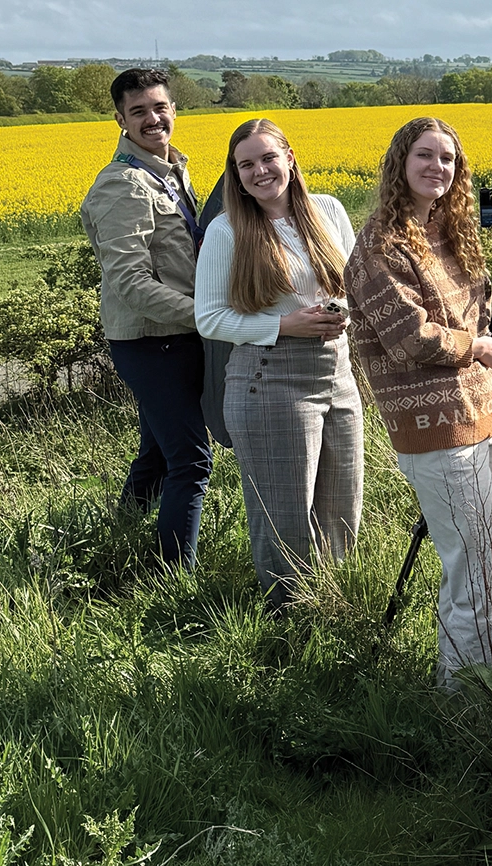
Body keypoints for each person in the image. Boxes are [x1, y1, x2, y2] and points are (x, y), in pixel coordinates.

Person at [345, 117, 492, 687]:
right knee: (475, 570)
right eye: (425, 155)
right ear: (400, 162)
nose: (436, 168)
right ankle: (465, 706)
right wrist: (476, 346)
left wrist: (478, 354)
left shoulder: (450, 233)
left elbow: (478, 309)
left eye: (447, 159)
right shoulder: (379, 244)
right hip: (436, 429)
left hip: (484, 416)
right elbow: (408, 340)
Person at [194, 119, 363, 606]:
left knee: (341, 508)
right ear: (235, 174)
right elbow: (208, 319)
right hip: (268, 380)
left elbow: (355, 281)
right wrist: (284, 326)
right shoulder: (227, 230)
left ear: (290, 157)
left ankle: (337, 607)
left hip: (337, 373)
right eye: (246, 164)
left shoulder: (328, 210)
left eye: (268, 158)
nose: (260, 171)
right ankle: (288, 622)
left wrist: (344, 313)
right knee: (285, 519)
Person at [81, 68, 211, 568]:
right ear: (120, 120)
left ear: (173, 109)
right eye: (138, 112)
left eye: (160, 107)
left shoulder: (171, 170)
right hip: (153, 341)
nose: (153, 119)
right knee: (191, 461)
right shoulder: (123, 186)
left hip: (175, 335)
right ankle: (175, 577)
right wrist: (208, 317)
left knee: (158, 454)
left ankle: (118, 539)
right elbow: (129, 283)